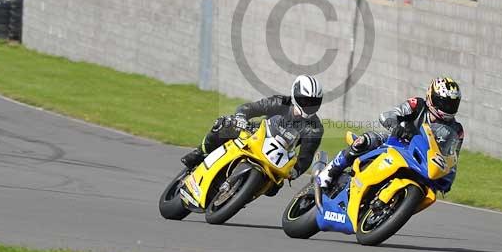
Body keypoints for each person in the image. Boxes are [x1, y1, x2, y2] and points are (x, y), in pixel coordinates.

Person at [317, 77, 464, 195]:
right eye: (444, 102)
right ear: (431, 97)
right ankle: (330, 172)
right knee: (365, 140)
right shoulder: (417, 105)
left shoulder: (456, 130)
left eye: (452, 104)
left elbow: (452, 159)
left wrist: (448, 178)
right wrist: (397, 127)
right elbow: (387, 115)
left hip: (422, 161)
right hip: (397, 142)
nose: (447, 108)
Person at [180, 75, 325, 183]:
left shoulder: (315, 128)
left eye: (313, 102)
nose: (308, 105)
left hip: (278, 157)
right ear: (295, 94)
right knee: (225, 124)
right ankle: (200, 152)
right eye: (305, 100)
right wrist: (241, 118)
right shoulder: (281, 102)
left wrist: (296, 171)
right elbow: (250, 108)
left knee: (274, 188)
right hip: (256, 135)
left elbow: (306, 156)